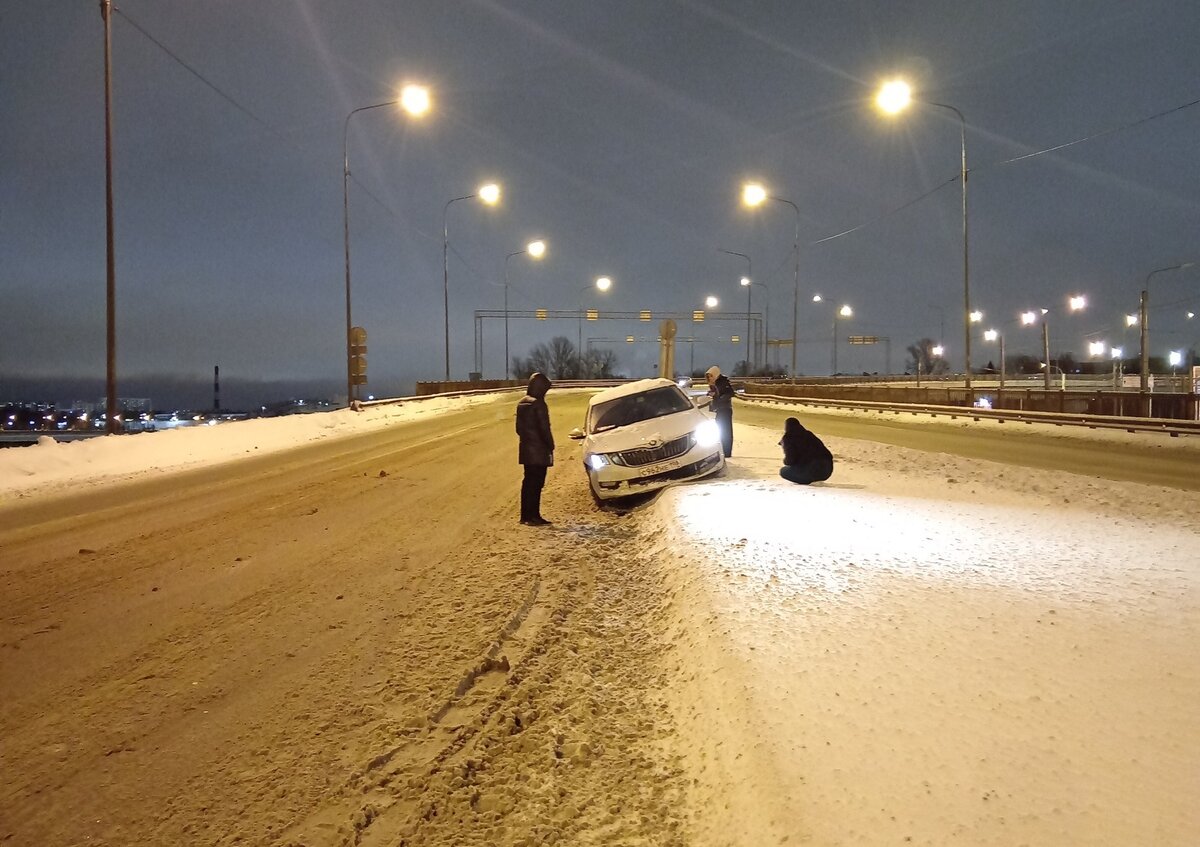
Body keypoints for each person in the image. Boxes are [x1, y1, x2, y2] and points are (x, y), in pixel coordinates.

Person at [515, 371, 555, 526]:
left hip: (526, 450)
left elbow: (518, 429)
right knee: (537, 484)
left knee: (528, 483)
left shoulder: (522, 403)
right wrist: (550, 445)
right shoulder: (539, 404)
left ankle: (525, 515)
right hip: (539, 452)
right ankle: (534, 515)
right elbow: (545, 429)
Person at [778, 416, 833, 485]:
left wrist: (785, 453)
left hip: (811, 470)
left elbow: (790, 461)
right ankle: (811, 477)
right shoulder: (809, 434)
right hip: (826, 471)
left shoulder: (788, 438)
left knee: (783, 471)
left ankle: (806, 480)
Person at [704, 365, 735, 457]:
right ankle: (722, 450)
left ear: (716, 374)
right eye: (708, 376)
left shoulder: (722, 382)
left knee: (726, 431)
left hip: (725, 409)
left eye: (711, 375)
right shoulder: (714, 384)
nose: (710, 378)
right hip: (719, 409)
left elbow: (729, 393)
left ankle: (727, 452)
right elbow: (716, 395)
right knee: (720, 431)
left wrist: (719, 398)